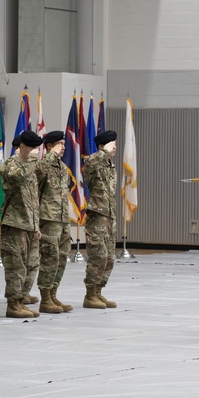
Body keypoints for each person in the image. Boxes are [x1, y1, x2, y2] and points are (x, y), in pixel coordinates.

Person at [0, 130, 43, 318]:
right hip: (15, 222)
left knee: (31, 265)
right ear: (22, 147)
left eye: (37, 148)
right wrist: (32, 160)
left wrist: (36, 225)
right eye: (32, 147)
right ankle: (13, 304)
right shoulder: (11, 165)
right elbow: (20, 178)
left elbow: (33, 198)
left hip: (29, 224)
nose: (35, 152)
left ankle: (22, 299)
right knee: (15, 266)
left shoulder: (30, 168)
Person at [36, 130, 73, 313]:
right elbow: (38, 175)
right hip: (48, 218)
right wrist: (51, 155)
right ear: (50, 146)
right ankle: (44, 298)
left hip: (62, 218)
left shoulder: (62, 167)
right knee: (49, 258)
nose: (63, 147)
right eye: (60, 144)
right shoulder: (43, 164)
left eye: (64, 144)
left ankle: (53, 293)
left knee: (61, 258)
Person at [82, 129, 119, 309]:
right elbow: (89, 161)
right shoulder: (93, 162)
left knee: (109, 258)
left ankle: (98, 291)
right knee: (98, 256)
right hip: (97, 217)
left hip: (109, 216)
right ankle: (90, 295)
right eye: (112, 144)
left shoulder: (110, 167)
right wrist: (104, 151)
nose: (115, 147)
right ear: (103, 146)